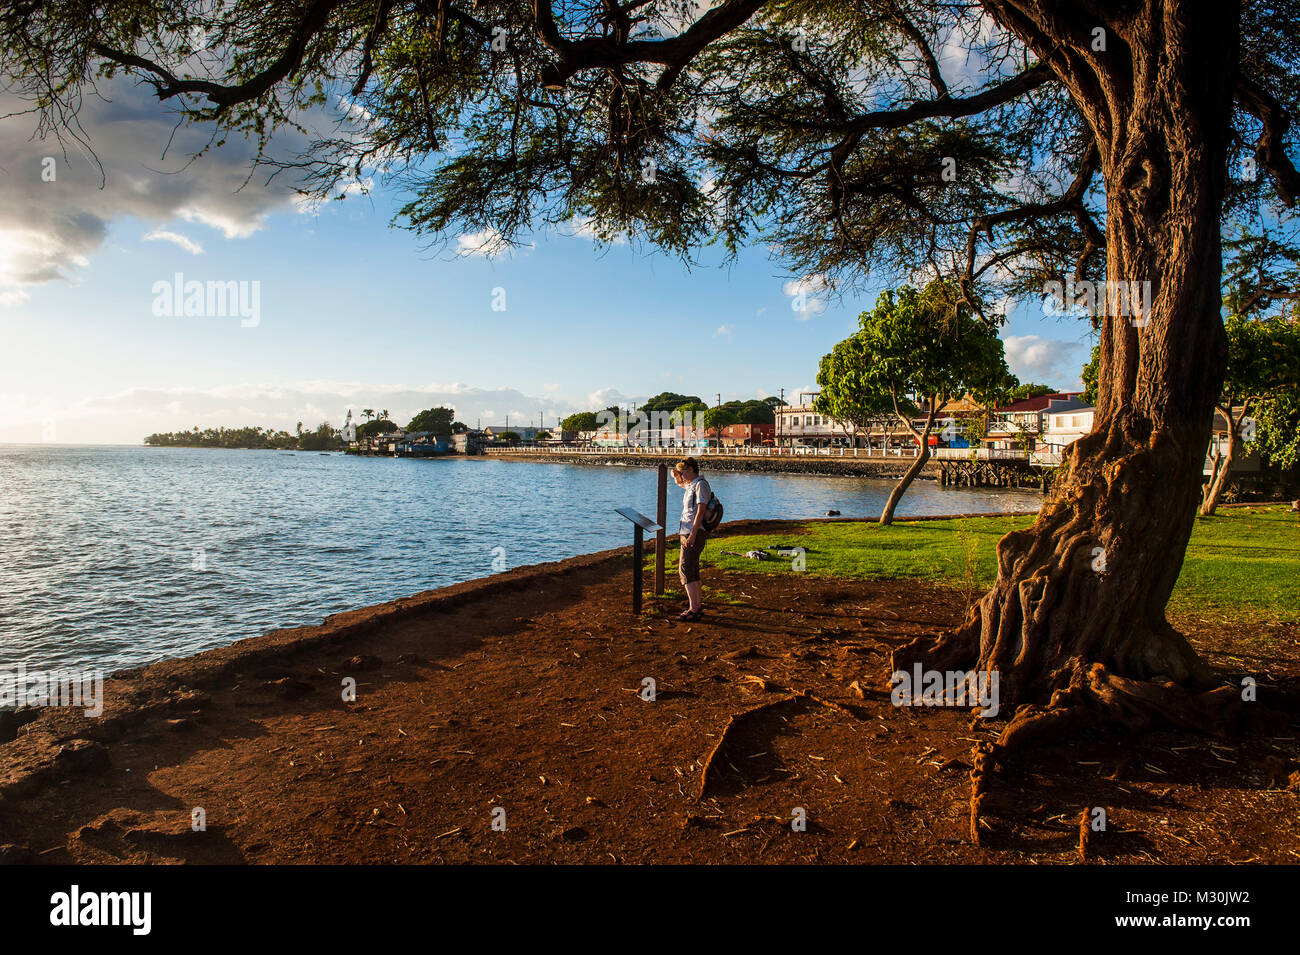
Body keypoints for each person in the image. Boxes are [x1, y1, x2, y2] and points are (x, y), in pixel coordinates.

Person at [672, 457, 712, 621]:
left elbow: (700, 511)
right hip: (688, 531)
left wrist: (693, 533)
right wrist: (676, 477)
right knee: (692, 569)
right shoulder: (692, 485)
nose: (682, 474)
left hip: (693, 532)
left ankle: (693, 609)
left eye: (684, 471)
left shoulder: (700, 485)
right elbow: (682, 485)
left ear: (692, 470)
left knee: (686, 569)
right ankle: (696, 606)